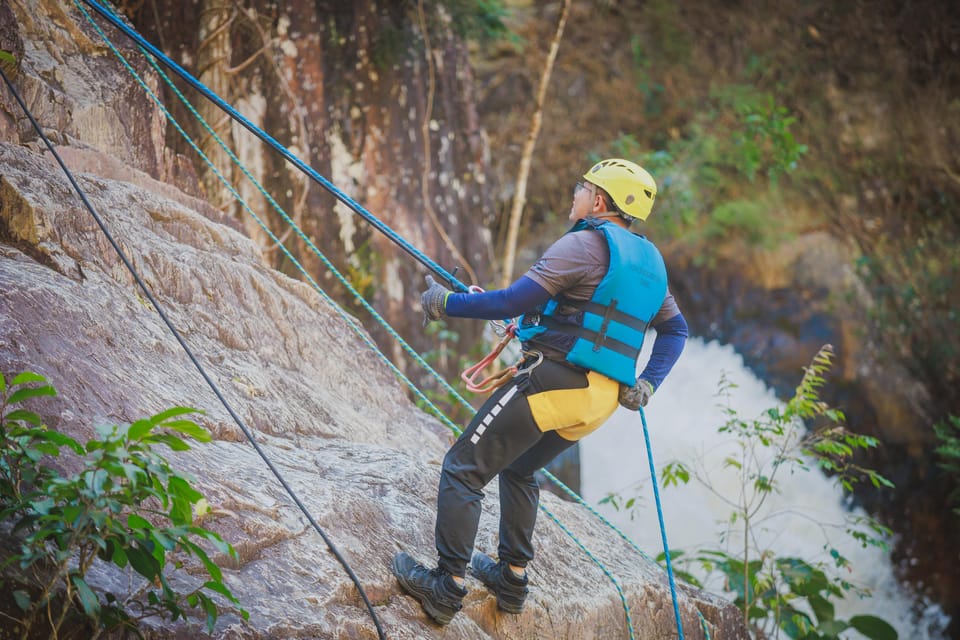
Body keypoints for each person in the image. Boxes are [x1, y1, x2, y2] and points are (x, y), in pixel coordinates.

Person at [392, 158, 688, 625]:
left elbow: (513, 300)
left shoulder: (584, 246)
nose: (576, 193)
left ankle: (445, 586)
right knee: (519, 469)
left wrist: (447, 303)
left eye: (583, 187)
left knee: (463, 468)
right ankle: (511, 577)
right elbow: (676, 331)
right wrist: (648, 383)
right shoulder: (649, 265)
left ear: (601, 201)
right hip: (599, 401)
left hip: (556, 382)